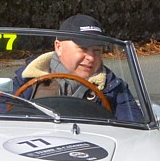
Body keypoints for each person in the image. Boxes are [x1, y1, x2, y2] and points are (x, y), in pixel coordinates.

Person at [11, 14, 143, 122]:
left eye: (97, 50)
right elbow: (0, 126)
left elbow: (134, 132)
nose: (91, 57)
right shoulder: (26, 81)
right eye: (83, 49)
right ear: (59, 47)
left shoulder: (113, 88)